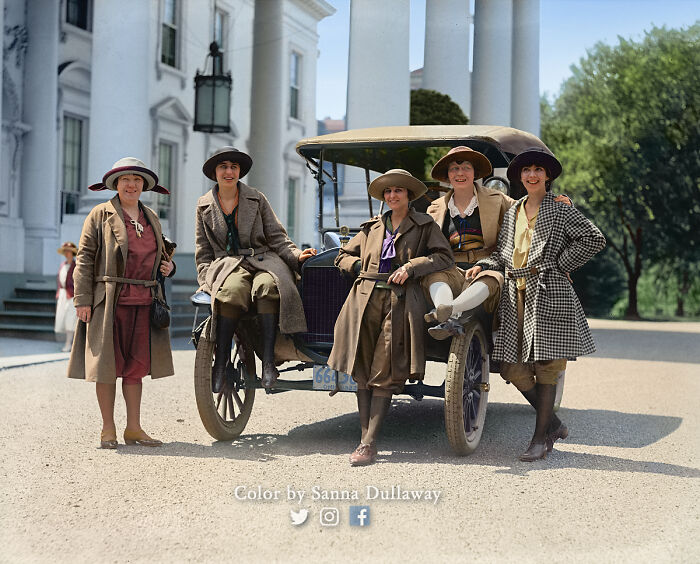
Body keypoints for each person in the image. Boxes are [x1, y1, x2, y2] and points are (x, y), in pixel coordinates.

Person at [467, 147, 605, 461]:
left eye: (538, 170)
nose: (532, 175)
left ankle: (540, 438)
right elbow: (503, 254)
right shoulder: (514, 210)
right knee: (511, 367)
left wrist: (561, 264)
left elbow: (594, 238)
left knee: (547, 367)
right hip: (514, 294)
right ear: (519, 176)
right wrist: (485, 264)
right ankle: (553, 424)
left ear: (548, 176)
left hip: (549, 289)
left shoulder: (560, 208)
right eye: (526, 170)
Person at [328, 169, 455, 466]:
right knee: (361, 370)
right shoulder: (371, 227)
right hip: (363, 301)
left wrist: (412, 267)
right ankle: (363, 438)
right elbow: (340, 256)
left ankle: (368, 443)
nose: (392, 196)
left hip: (399, 301)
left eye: (398, 191)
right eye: (388, 192)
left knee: (383, 370)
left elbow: (444, 257)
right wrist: (359, 263)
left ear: (408, 195)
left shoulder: (424, 225)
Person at [68, 157, 175, 449]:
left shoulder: (151, 216)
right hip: (108, 301)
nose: (132, 184)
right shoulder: (100, 214)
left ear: (144, 186)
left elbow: (160, 257)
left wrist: (169, 268)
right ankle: (107, 428)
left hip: (144, 301)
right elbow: (84, 258)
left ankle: (134, 428)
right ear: (116, 183)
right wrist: (83, 300)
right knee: (106, 366)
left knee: (135, 369)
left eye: (137, 180)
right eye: (126, 179)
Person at [195, 147, 316, 390]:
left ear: (239, 171)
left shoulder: (257, 198)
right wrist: (207, 280)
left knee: (268, 287)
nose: (229, 172)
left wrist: (296, 256)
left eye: (234, 167)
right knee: (230, 292)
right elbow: (203, 250)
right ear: (215, 172)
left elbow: (277, 237)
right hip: (227, 264)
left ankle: (269, 361)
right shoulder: (203, 206)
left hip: (265, 259)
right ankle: (220, 364)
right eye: (224, 167)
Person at [423, 146, 571, 336]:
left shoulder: (497, 199)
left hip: (487, 265)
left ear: (475, 173)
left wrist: (558, 202)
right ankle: (445, 309)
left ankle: (451, 311)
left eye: (466, 168)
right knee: (433, 277)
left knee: (493, 279)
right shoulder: (435, 207)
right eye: (454, 169)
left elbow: (528, 208)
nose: (460, 173)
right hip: (450, 267)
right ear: (447, 175)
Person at [55, 241, 78, 352]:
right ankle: (67, 342)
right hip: (63, 294)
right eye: (66, 252)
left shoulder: (76, 266)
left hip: (72, 295)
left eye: (69, 252)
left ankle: (69, 343)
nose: (67, 253)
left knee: (71, 319)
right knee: (62, 317)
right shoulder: (62, 265)